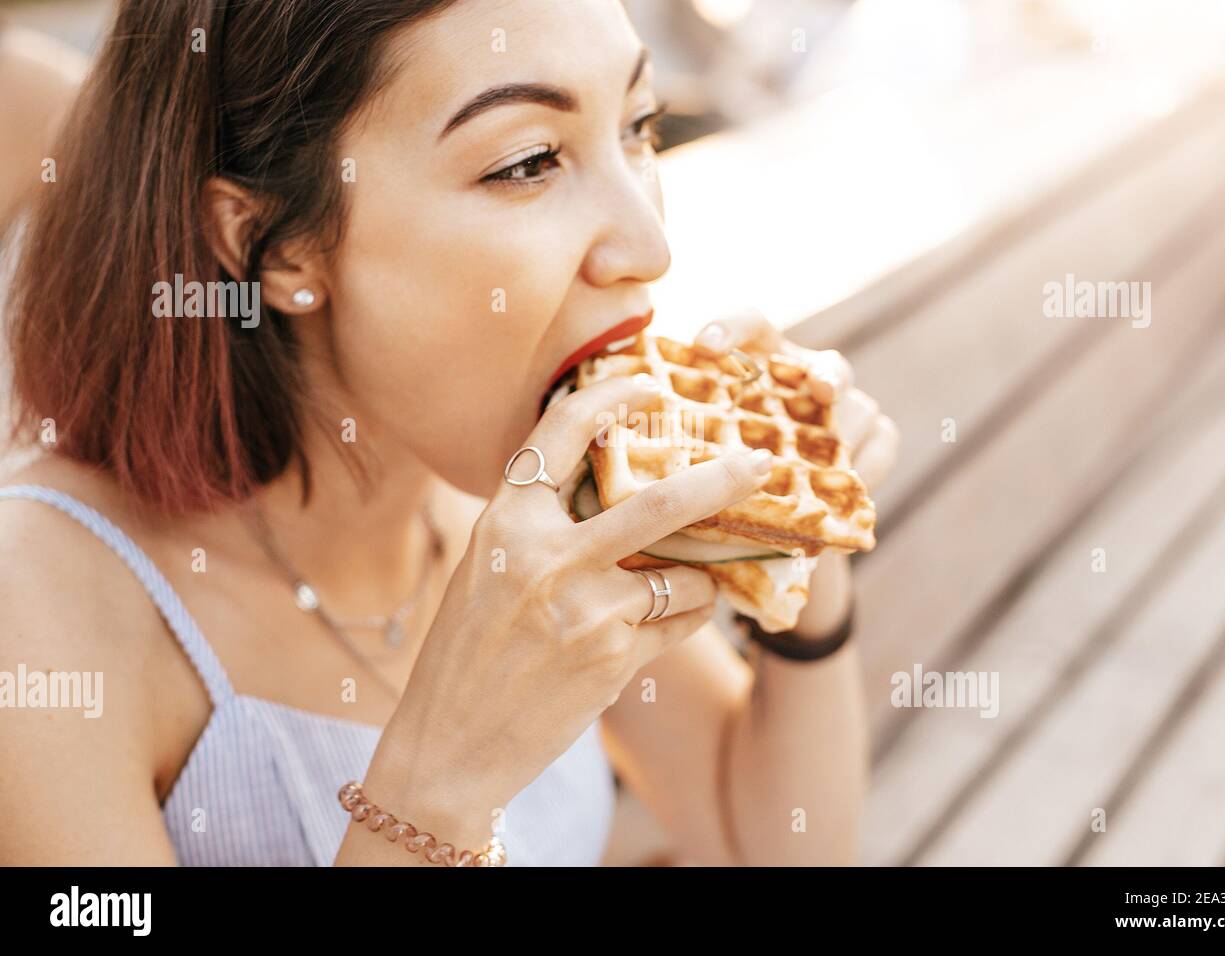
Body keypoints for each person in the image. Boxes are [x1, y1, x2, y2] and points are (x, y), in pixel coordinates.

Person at [0, 0, 898, 866]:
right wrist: (437, 789)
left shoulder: (519, 488)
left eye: (639, 124)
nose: (648, 244)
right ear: (273, 245)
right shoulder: (37, 621)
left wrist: (793, 563)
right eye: (529, 161)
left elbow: (763, 845)